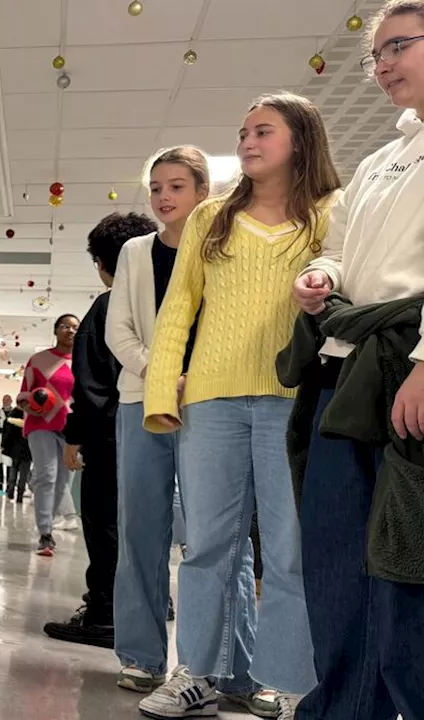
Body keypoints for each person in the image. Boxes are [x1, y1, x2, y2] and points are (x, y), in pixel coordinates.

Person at [138, 93, 341, 720]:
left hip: (295, 399)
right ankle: (195, 673)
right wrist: (161, 391)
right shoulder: (210, 218)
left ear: (301, 140)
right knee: (207, 547)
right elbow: (178, 310)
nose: (248, 141)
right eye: (243, 132)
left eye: (263, 131)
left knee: (288, 548)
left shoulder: (331, 213)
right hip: (212, 401)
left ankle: (283, 679)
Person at [287, 4, 424, 717]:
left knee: (405, 566)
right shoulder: (380, 160)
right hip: (348, 368)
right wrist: (324, 277)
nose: (382, 66)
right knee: (338, 559)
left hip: (409, 368)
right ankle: (343, 706)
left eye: (398, 45)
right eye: (376, 54)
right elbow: (337, 248)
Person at [106, 146, 209, 693]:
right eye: (157, 188)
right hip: (139, 400)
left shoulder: (221, 248)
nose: (164, 197)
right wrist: (162, 374)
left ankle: (209, 662)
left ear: (202, 193)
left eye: (177, 187)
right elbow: (118, 329)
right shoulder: (134, 253)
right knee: (141, 529)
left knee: (212, 536)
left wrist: (198, 381)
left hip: (210, 402)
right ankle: (142, 655)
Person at [45, 212, 159, 650]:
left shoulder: (107, 307)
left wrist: (75, 438)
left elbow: (92, 385)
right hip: (162, 430)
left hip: (112, 436)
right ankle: (144, 607)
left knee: (104, 522)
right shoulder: (166, 301)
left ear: (103, 263)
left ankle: (104, 614)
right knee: (147, 526)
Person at [18, 315, 78, 557]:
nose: (70, 331)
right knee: (46, 476)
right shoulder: (39, 360)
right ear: (56, 330)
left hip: (71, 428)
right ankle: (45, 533)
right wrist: (28, 406)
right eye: (65, 326)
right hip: (40, 424)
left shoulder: (84, 361)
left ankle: (49, 523)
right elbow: (23, 395)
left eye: (75, 327)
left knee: (63, 482)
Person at [0, 397, 31, 502]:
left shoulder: (12, 415)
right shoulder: (31, 416)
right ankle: (19, 496)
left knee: (13, 471)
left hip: (15, 449)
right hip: (27, 449)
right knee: (23, 474)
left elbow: (7, 433)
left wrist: (4, 445)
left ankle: (11, 492)